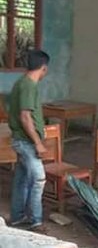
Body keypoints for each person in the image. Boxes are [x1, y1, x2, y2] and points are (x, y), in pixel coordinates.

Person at [7, 50, 50, 232]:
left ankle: (17, 217)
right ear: (43, 68)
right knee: (39, 179)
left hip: (23, 140)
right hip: (26, 142)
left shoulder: (23, 83)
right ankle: (36, 221)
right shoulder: (28, 86)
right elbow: (25, 117)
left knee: (22, 179)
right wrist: (38, 143)